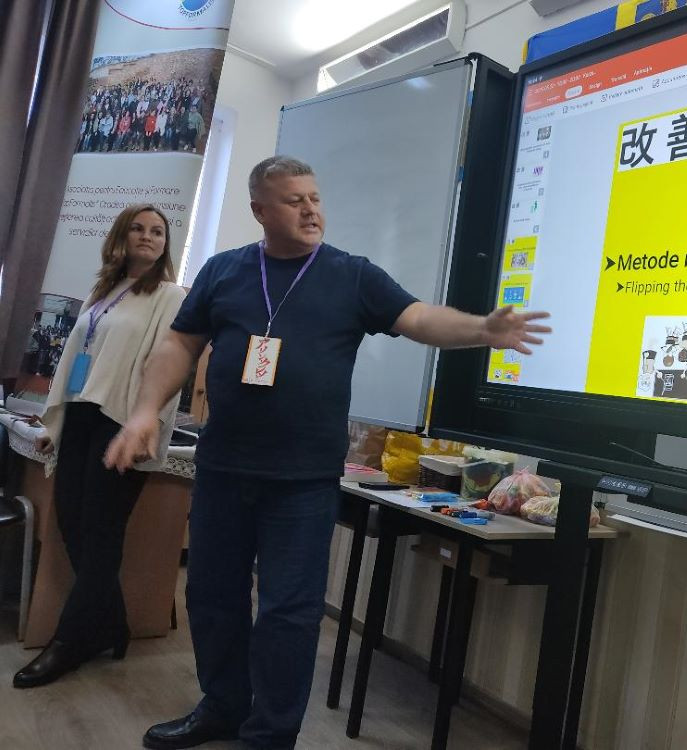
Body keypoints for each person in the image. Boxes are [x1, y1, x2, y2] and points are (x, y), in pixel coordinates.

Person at [104, 156, 551, 750]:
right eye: (294, 200)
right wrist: (143, 411)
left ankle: (270, 736)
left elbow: (419, 318)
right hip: (224, 469)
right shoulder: (223, 271)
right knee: (212, 598)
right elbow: (179, 345)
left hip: (303, 482)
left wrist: (482, 330)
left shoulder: (351, 275)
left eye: (314, 197)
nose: (311, 209)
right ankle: (222, 707)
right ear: (260, 211)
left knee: (288, 612)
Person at [13, 205, 186, 689]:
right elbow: (78, 359)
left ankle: (71, 641)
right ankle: (112, 622)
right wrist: (58, 423)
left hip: (122, 421)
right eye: (138, 229)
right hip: (82, 416)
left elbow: (166, 365)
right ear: (121, 237)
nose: (148, 237)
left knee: (101, 533)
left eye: (157, 231)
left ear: (165, 244)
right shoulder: (104, 292)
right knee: (72, 524)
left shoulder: (170, 296)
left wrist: (146, 425)